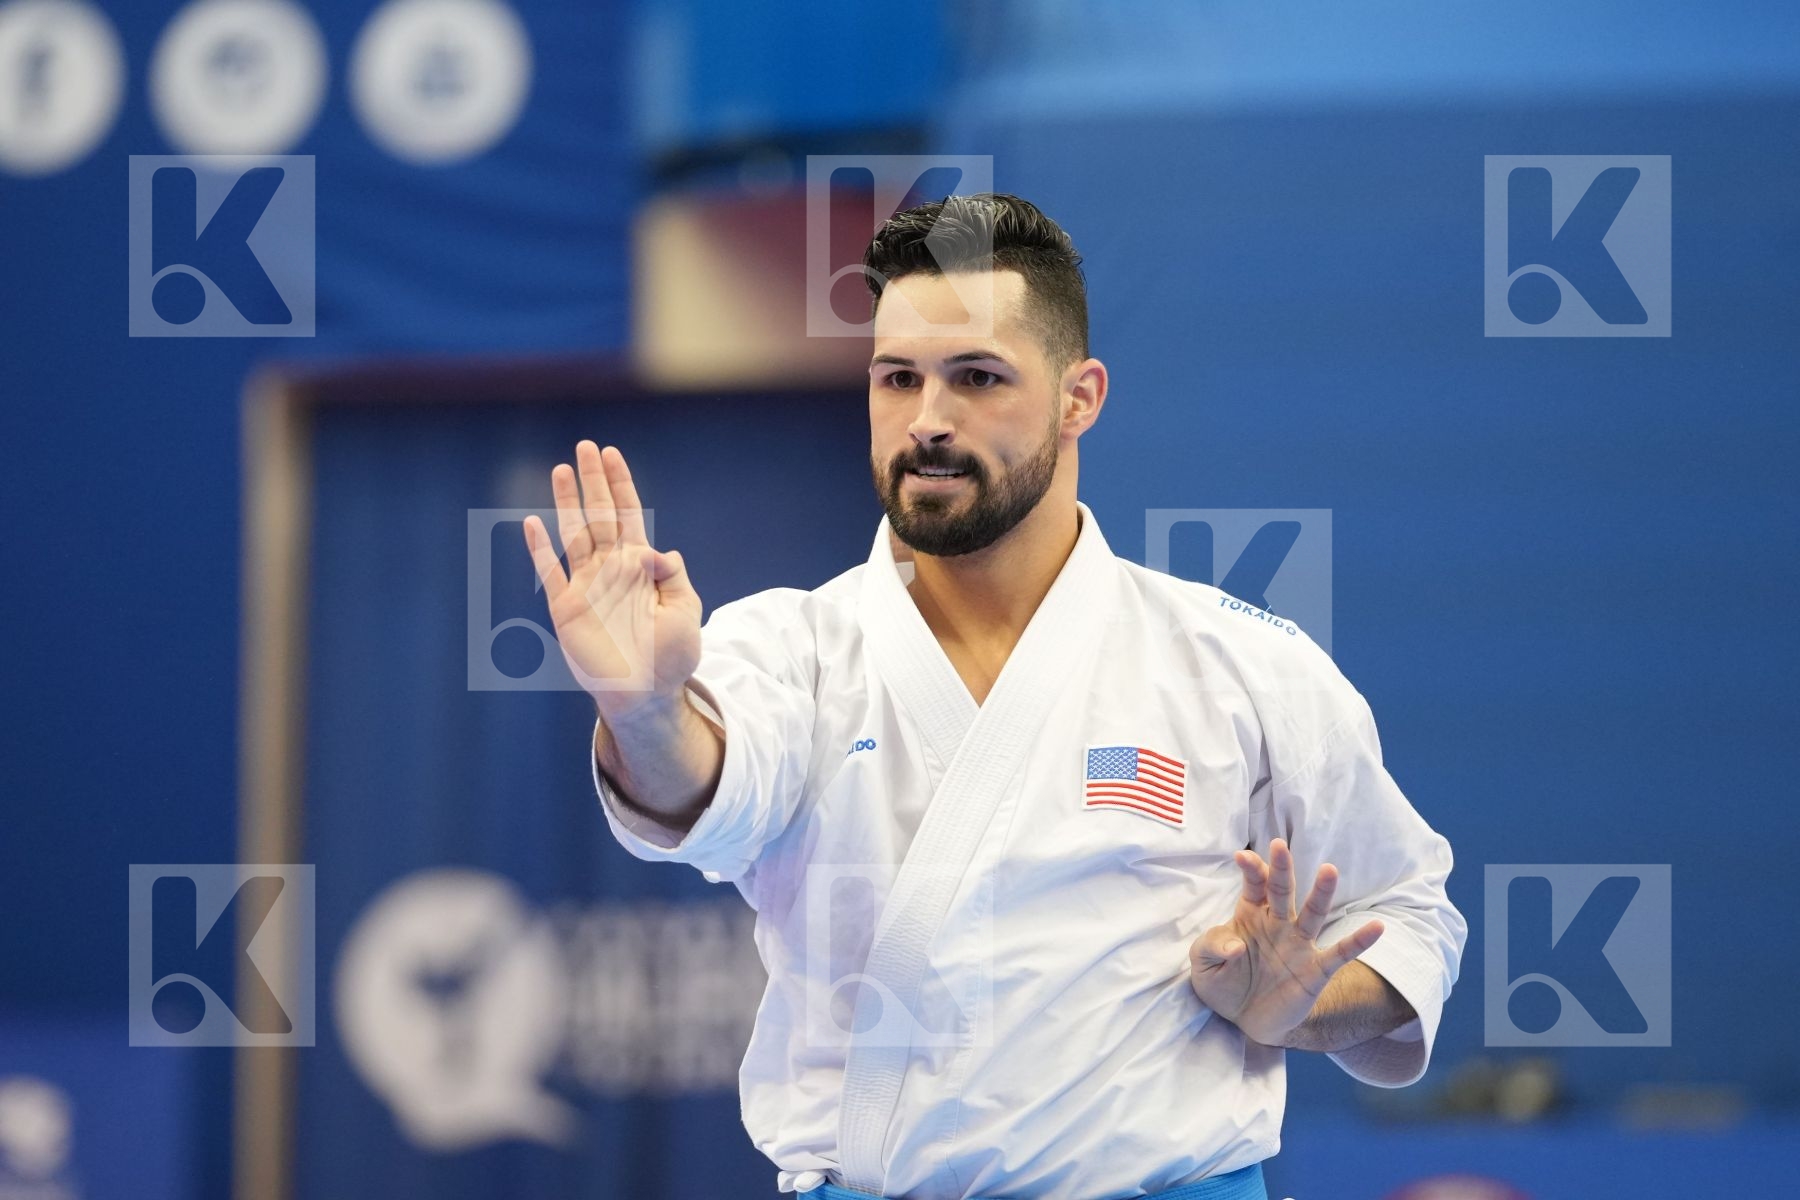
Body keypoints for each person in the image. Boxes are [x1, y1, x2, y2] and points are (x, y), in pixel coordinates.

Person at [522, 193, 1467, 1200]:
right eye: (897, 379)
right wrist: (641, 709)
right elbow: (707, 789)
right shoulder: (790, 647)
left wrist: (1300, 1010)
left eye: (976, 378)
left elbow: (1413, 916)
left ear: (1080, 396)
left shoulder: (1238, 664)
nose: (927, 420)